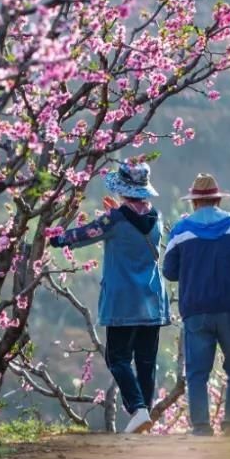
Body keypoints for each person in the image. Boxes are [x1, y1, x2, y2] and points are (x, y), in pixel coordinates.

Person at [49, 161, 170, 434]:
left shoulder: (114, 219)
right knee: (146, 361)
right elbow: (135, 229)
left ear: (122, 190)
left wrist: (54, 239)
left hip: (124, 300)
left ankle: (138, 409)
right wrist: (116, 215)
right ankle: (145, 414)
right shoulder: (157, 217)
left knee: (117, 357)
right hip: (152, 299)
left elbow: (83, 234)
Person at [162, 173, 230, 436]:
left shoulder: (181, 231)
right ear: (217, 199)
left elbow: (169, 272)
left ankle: (201, 427)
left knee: (197, 373)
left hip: (197, 311)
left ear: (194, 202)